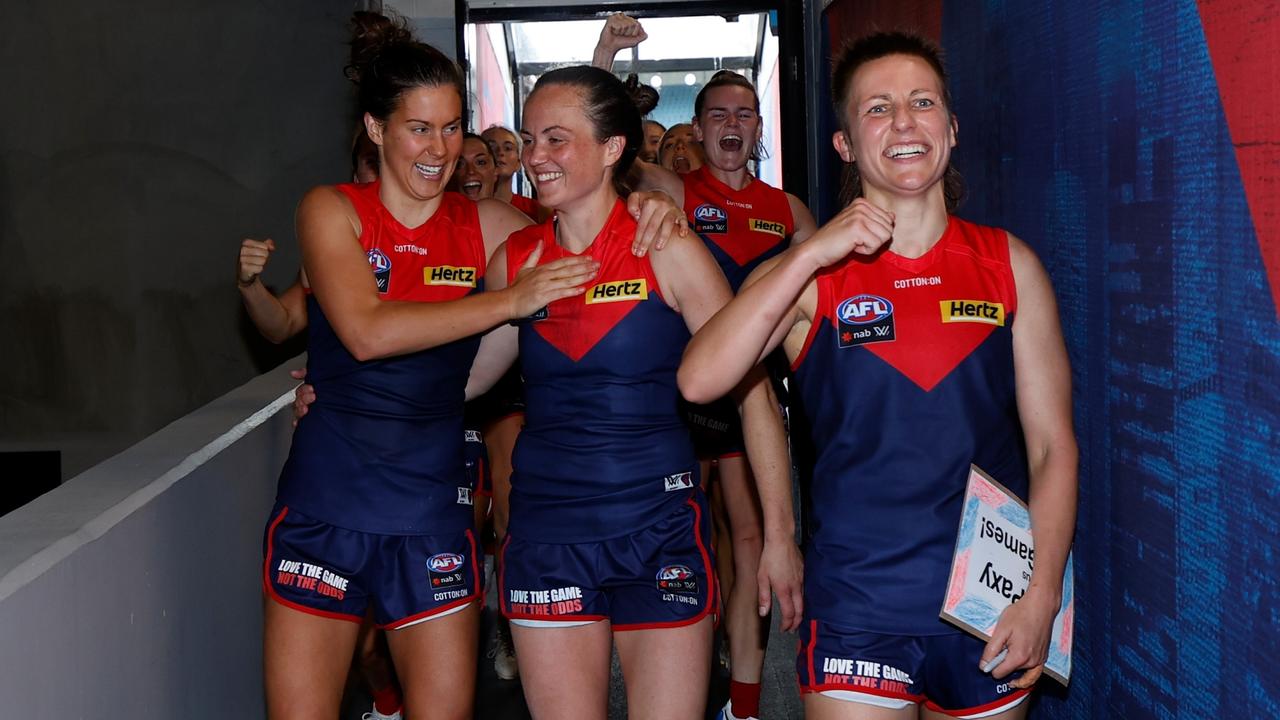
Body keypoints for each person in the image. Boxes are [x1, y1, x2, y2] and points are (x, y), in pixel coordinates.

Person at [678, 31, 1077, 720]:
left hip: (989, 602)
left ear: (950, 129)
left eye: (922, 103)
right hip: (856, 603)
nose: (903, 123)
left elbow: (1052, 448)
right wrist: (810, 255)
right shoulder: (813, 278)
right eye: (877, 108)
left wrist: (1041, 595)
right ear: (845, 145)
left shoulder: (1010, 264)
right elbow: (700, 379)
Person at [260, 13, 597, 719]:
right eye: (420, 128)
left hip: (434, 511)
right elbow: (366, 333)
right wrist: (505, 300)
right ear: (377, 131)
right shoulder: (332, 211)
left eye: (451, 128)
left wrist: (656, 208)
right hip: (329, 503)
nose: (440, 149)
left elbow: (594, 235)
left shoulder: (489, 226)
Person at [467, 64, 784, 720]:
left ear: (613, 149)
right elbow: (461, 380)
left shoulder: (667, 244)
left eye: (557, 139)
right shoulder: (518, 259)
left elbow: (752, 389)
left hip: (658, 530)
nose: (536, 157)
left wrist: (780, 534)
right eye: (530, 140)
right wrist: (349, 387)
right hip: (547, 534)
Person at [631, 65, 818, 720]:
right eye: (719, 115)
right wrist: (611, 68)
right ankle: (679, 666)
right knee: (686, 538)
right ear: (700, 126)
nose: (732, 125)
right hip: (679, 393)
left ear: (759, 128)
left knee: (749, 541)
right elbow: (609, 147)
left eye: (744, 114)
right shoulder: (671, 189)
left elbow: (814, 312)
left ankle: (742, 705)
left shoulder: (790, 211)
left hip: (749, 394)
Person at [482, 125, 541, 218]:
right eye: (491, 147)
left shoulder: (535, 211)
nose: (500, 152)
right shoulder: (469, 209)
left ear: (518, 162)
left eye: (508, 148)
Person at [453, 132, 499, 202]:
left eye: (480, 162)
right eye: (459, 164)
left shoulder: (512, 212)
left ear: (496, 172)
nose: (471, 171)